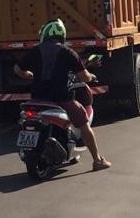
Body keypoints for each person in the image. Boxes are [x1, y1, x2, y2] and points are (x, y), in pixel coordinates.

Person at [14, 19, 111, 170]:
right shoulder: (67, 52)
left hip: (38, 99)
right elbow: (84, 77)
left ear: (45, 34)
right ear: (62, 35)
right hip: (61, 99)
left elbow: (18, 70)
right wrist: (91, 76)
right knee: (83, 122)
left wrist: (29, 75)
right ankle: (97, 160)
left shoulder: (35, 50)